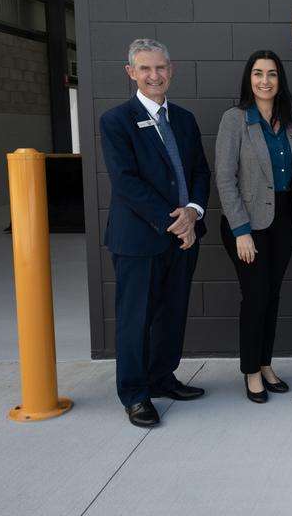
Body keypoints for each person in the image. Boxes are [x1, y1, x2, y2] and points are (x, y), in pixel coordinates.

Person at [100, 38, 211, 428]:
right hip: (140, 239)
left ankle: (162, 378)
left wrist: (194, 212)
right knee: (136, 319)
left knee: (172, 313)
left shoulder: (184, 119)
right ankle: (134, 394)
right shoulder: (116, 121)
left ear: (171, 69)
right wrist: (175, 221)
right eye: (145, 68)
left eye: (160, 67)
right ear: (131, 72)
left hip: (186, 236)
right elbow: (126, 182)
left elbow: (199, 171)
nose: (154, 75)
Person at [215, 50, 292, 403]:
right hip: (248, 223)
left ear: (280, 80)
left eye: (272, 74)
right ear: (249, 78)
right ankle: (250, 371)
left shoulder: (289, 124)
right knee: (256, 296)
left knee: (272, 296)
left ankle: (265, 364)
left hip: (283, 219)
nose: (265, 81)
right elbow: (225, 177)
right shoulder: (235, 120)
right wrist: (241, 230)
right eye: (259, 73)